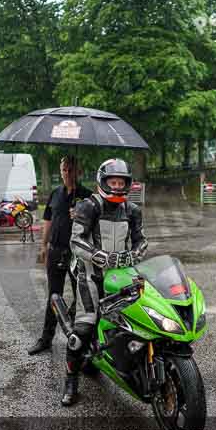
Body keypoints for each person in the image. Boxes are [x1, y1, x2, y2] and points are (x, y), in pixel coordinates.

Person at [63, 158, 148, 406]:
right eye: (113, 181)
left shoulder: (132, 210)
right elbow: (76, 241)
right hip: (90, 274)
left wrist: (135, 255)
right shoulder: (88, 206)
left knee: (135, 323)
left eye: (122, 182)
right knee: (83, 330)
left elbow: (141, 241)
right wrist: (100, 256)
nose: (118, 186)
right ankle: (70, 380)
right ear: (102, 181)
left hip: (121, 276)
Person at [27, 155, 93, 355]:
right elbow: (47, 221)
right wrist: (43, 246)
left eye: (71, 170)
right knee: (53, 296)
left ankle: (80, 338)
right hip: (56, 250)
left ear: (78, 172)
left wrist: (81, 216)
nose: (67, 174)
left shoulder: (88, 196)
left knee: (81, 298)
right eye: (64, 170)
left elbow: (96, 226)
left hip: (78, 252)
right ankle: (46, 339)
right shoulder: (55, 194)